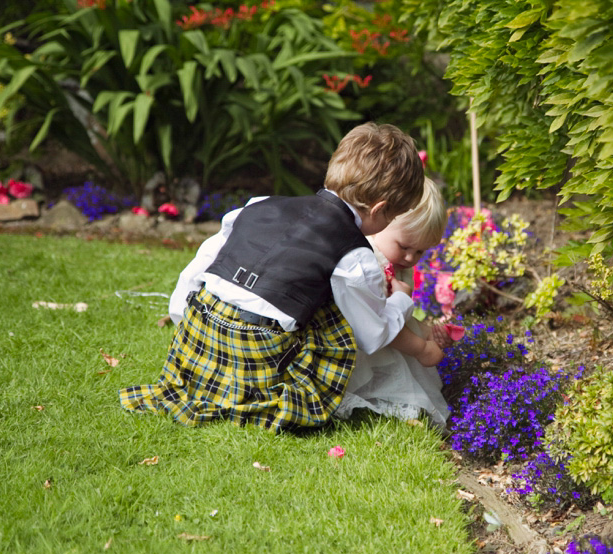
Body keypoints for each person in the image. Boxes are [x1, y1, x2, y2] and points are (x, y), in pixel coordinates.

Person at [119, 122, 442, 433]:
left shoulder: (257, 205)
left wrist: (185, 324)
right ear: (379, 209)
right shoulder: (354, 256)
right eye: (394, 217)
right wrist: (400, 298)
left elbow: (198, 269)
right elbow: (371, 335)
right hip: (259, 357)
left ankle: (204, 370)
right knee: (337, 320)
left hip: (197, 336)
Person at [335, 178, 454, 426]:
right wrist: (422, 349)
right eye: (404, 246)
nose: (411, 257)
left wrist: (428, 332)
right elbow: (380, 328)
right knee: (394, 382)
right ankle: (376, 402)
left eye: (420, 252)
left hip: (380, 335)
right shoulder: (370, 265)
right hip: (355, 347)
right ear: (381, 223)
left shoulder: (395, 260)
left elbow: (400, 317)